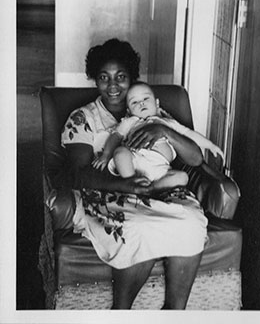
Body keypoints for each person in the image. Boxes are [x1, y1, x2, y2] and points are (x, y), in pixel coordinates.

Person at [61, 38, 208, 309]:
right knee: (138, 227)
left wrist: (164, 131)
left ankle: (175, 312)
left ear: (132, 78)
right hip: (111, 193)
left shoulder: (152, 110)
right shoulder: (82, 119)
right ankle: (122, 312)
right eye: (104, 77)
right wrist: (130, 186)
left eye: (121, 77)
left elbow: (197, 158)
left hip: (162, 190)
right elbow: (80, 175)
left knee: (191, 221)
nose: (113, 85)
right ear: (95, 79)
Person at [92, 81, 223, 192]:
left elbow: (189, 133)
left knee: (182, 177)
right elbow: (116, 136)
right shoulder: (131, 121)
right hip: (135, 161)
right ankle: (131, 183)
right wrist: (106, 154)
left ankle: (151, 189)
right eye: (134, 102)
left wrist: (210, 145)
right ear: (128, 111)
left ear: (157, 103)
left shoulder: (168, 123)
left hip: (161, 168)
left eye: (145, 99)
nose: (141, 104)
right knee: (120, 153)